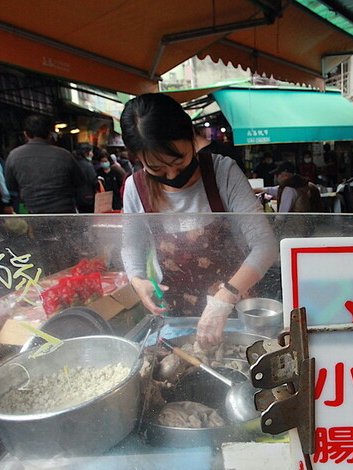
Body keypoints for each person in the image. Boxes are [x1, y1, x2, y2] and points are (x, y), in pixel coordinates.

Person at [119, 93, 278, 347]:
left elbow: (265, 245)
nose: (172, 174)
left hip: (234, 308)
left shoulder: (222, 172)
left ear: (191, 137)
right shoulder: (135, 188)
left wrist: (225, 298)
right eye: (157, 169)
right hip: (178, 315)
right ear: (138, 159)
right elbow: (131, 245)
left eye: (178, 161)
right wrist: (137, 280)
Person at [4, 115, 86, 214]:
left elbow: (11, 186)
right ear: (49, 134)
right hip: (64, 213)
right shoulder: (64, 155)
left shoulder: (14, 156)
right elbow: (80, 182)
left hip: (33, 213)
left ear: (25, 134)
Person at [73, 143, 99, 213]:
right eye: (91, 152)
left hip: (76, 197)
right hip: (88, 197)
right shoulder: (88, 166)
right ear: (87, 153)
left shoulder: (74, 164)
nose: (92, 154)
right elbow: (94, 181)